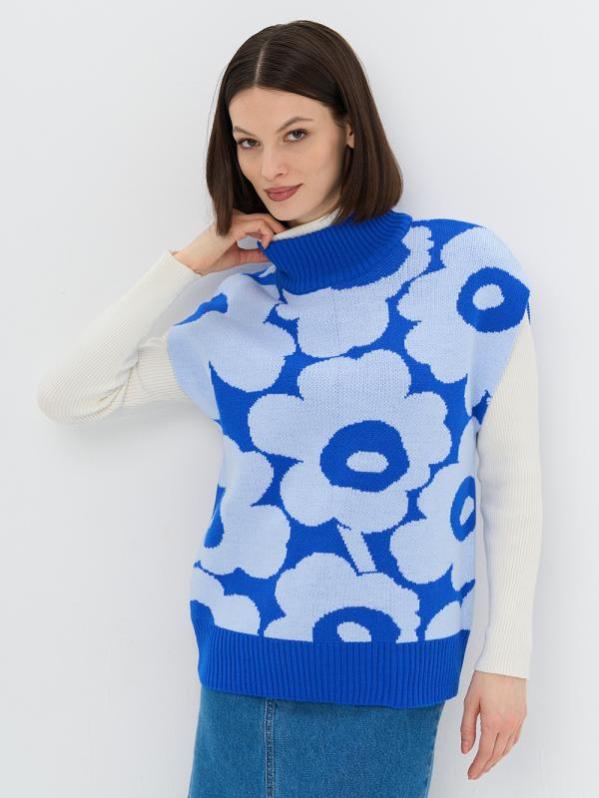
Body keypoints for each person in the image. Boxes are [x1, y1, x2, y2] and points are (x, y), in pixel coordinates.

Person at [36, 19, 543, 798]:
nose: (269, 167)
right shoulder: (241, 309)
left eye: (295, 134)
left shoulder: (463, 270)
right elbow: (69, 395)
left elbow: (511, 476)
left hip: (395, 668)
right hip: (245, 659)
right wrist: (189, 263)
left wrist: (505, 660)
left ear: (349, 128)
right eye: (247, 142)